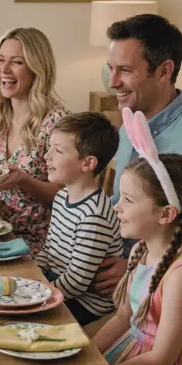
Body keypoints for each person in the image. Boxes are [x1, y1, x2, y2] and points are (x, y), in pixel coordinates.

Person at [91, 14, 182, 297]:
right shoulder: (130, 125)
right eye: (110, 68)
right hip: (112, 270)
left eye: (125, 70)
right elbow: (119, 202)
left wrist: (139, 266)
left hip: (158, 292)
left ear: (163, 70)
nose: (112, 82)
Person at [93, 144, 182, 365]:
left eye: (128, 199)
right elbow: (122, 316)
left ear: (166, 214)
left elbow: (161, 360)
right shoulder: (141, 250)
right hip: (135, 351)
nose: (116, 206)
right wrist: (86, 358)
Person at [0, 27, 69, 257]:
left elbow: (68, 196)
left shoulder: (57, 121)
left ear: (37, 68)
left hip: (35, 244)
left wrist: (25, 181)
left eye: (16, 62)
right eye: (0, 60)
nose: (4, 70)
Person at [35, 112, 123, 326]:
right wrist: (32, 278)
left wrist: (37, 296)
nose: (47, 156)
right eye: (50, 147)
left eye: (58, 150)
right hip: (59, 285)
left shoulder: (93, 215)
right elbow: (49, 250)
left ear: (87, 163)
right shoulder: (62, 196)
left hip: (86, 305)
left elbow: (77, 281)